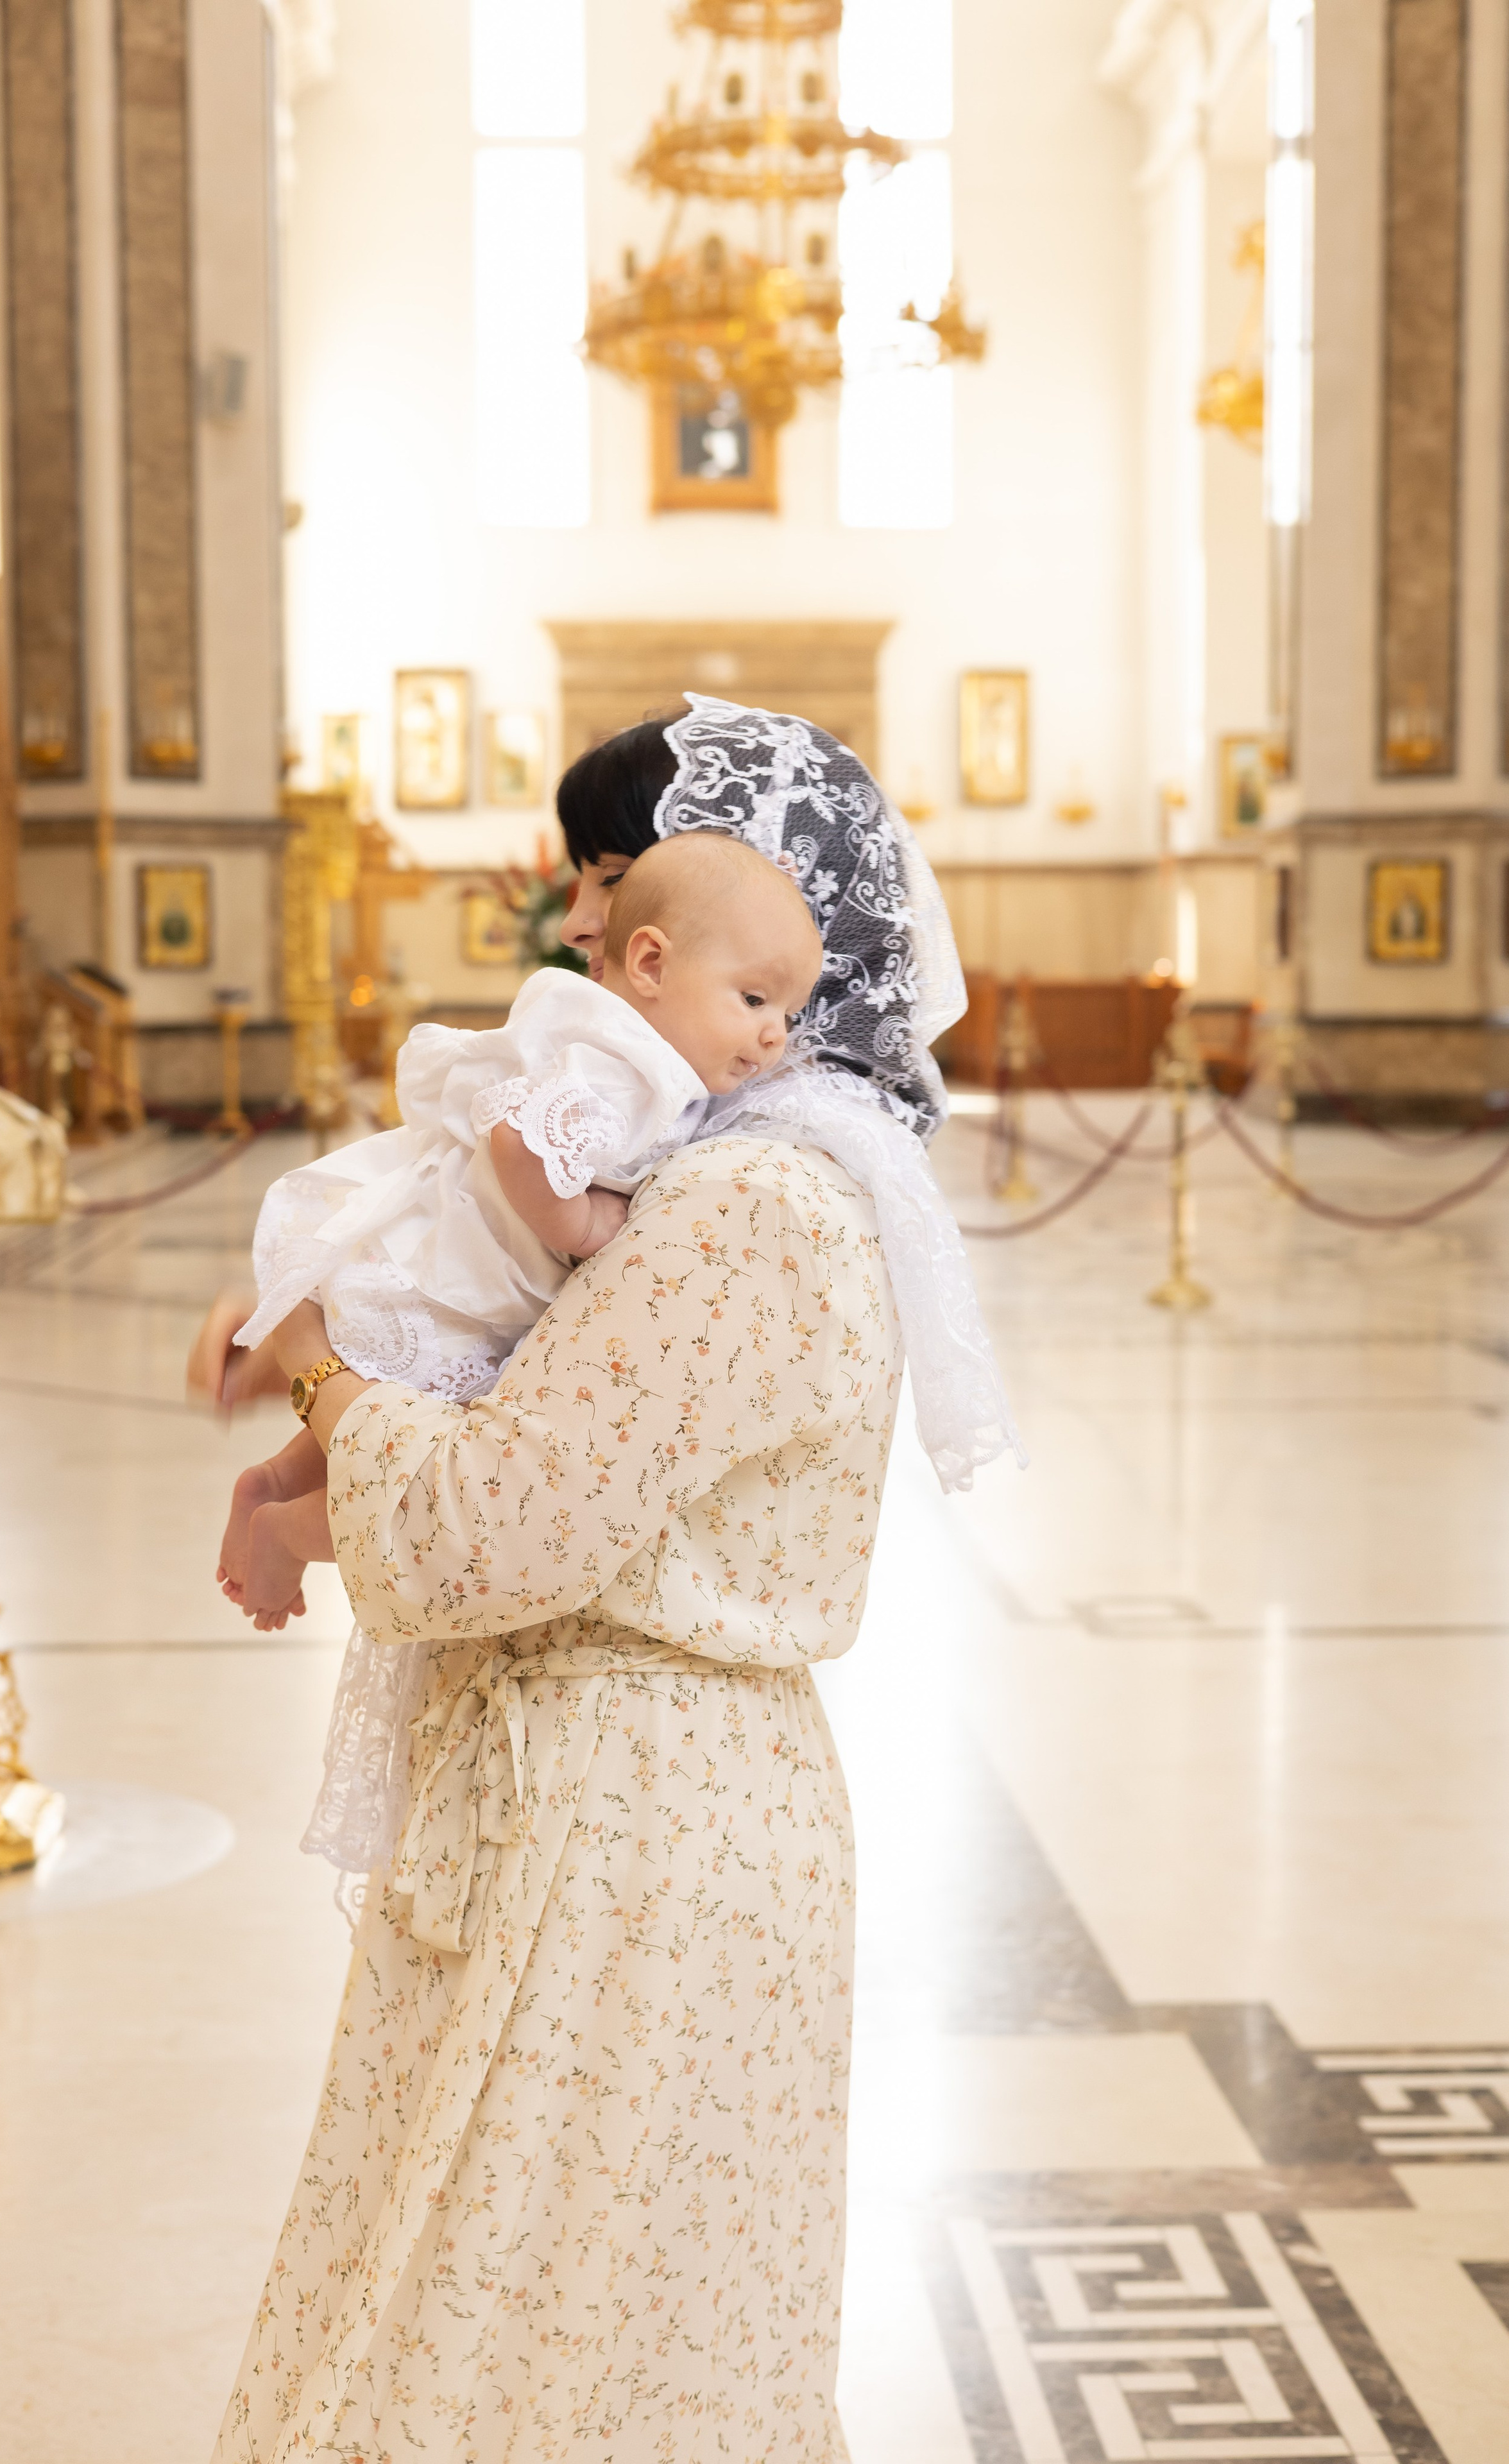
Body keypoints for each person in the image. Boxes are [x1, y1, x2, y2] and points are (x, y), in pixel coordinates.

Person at [197, 697, 1019, 2463]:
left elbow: (485, 1526)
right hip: (632, 1813)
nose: (574, 920)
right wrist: (322, 1458)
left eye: (605, 873)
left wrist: (324, 1362)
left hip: (632, 1842)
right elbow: (573, 1465)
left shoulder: (753, 1208)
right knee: (571, 2346)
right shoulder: (709, 1169)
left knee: (496, 2368)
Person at [217, 834, 823, 1623]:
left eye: (789, 1012)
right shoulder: (638, 1070)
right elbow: (517, 1135)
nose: (775, 1034)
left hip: (447, 1257)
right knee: (412, 1489)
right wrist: (582, 1223)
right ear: (649, 965)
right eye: (752, 1002)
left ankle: (270, 1482)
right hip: (469, 1285)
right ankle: (283, 1533)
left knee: (384, 1413)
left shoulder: (620, 1046)